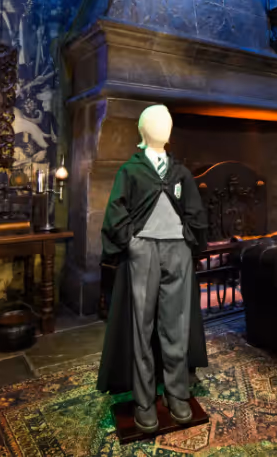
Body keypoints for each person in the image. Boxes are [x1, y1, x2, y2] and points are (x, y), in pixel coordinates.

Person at [96, 105, 208, 434]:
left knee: (176, 326)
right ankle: (144, 401)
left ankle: (177, 394)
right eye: (157, 122)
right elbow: (117, 210)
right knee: (140, 328)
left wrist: (188, 241)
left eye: (168, 121)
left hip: (177, 252)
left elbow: (195, 212)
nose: (164, 126)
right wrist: (131, 242)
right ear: (144, 130)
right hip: (142, 251)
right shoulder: (130, 171)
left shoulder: (180, 172)